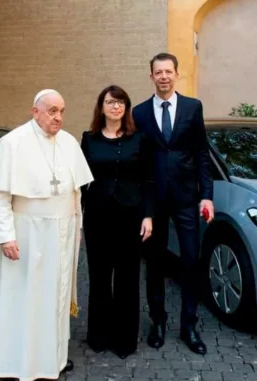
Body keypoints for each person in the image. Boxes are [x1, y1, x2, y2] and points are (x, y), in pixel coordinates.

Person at [0, 89, 93, 381]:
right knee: (26, 299)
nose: (58, 117)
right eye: (51, 111)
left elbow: (76, 193)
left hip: (63, 232)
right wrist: (6, 237)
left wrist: (78, 228)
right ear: (35, 111)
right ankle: (20, 366)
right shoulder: (12, 143)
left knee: (57, 298)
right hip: (27, 233)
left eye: (62, 111)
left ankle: (54, 359)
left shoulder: (69, 142)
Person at [132, 53, 214, 355]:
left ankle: (189, 325)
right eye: (158, 72)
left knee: (191, 261)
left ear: (176, 74)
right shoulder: (139, 113)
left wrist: (207, 195)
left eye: (168, 71)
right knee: (154, 263)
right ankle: (158, 321)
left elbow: (202, 153)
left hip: (187, 199)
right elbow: (139, 162)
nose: (163, 76)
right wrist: (142, 209)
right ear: (151, 76)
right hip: (153, 201)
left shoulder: (193, 108)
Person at [80, 85, 154, 359]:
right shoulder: (89, 140)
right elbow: (80, 182)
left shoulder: (139, 140)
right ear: (101, 107)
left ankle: (124, 339)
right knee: (99, 277)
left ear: (126, 107)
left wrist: (148, 215)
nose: (115, 107)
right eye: (110, 102)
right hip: (97, 216)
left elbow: (148, 179)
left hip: (130, 216)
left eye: (121, 102)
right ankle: (99, 336)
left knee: (127, 277)